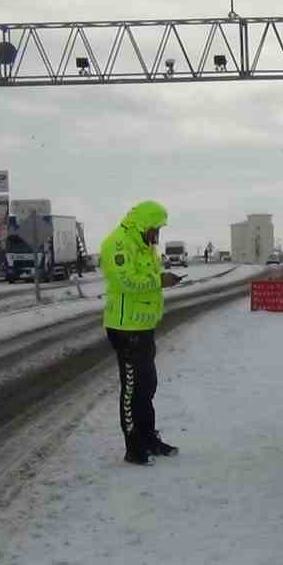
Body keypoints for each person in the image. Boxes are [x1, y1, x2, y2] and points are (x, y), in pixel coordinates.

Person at [102, 200, 182, 466]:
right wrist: (160, 281)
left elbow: (147, 279)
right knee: (132, 388)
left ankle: (148, 438)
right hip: (125, 329)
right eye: (155, 228)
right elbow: (125, 282)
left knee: (148, 386)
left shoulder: (145, 246)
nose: (157, 235)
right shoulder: (118, 244)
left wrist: (162, 279)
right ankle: (133, 447)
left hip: (144, 327)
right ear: (143, 224)